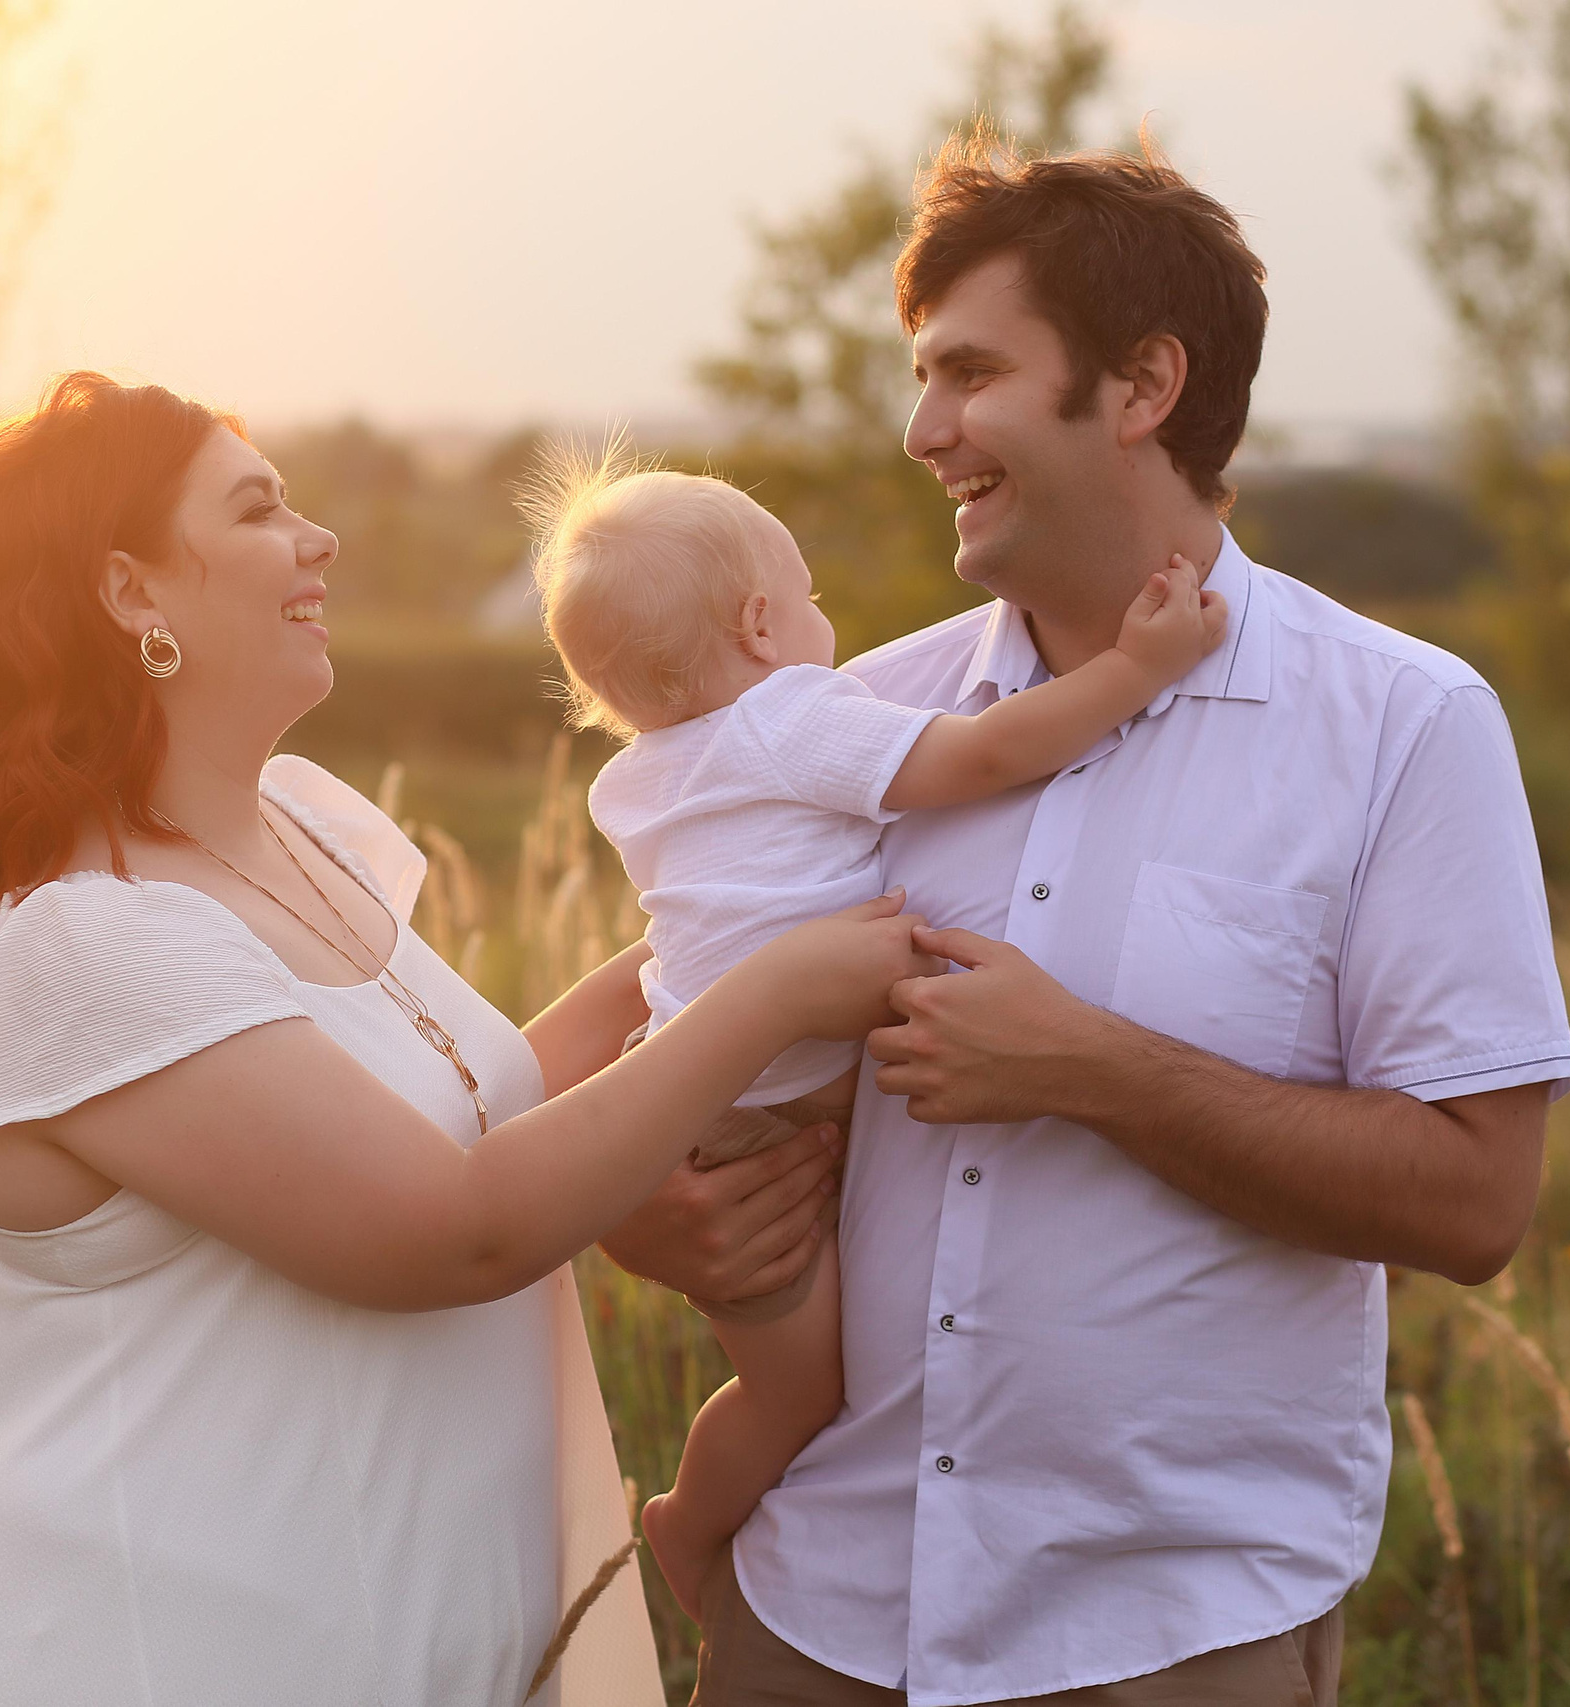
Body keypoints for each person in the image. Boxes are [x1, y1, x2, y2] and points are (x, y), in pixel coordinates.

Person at [0, 371, 934, 1706]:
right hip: (159, 1643)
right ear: (131, 592)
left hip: (373, 1624)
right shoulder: (82, 948)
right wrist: (773, 994)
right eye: (259, 509)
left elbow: (465, 1104)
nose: (319, 540)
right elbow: (451, 1222)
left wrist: (716, 954)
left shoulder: (303, 835)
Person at [600, 135, 1570, 1706]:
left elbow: (1476, 1202)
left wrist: (1089, 1066)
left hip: (1167, 1635)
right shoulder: (852, 719)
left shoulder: (1404, 725)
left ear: (1140, 388)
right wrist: (638, 1205)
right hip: (819, 1611)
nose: (924, 431)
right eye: (920, 377)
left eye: (969, 374)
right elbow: (660, 1009)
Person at [522, 453, 1221, 1619]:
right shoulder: (795, 718)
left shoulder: (637, 781)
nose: (822, 625)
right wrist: (1136, 670)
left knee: (787, 1379)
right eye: (805, 597)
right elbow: (984, 755)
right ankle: (690, 1530)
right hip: (766, 1121)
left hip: (702, 1104)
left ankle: (707, 1520)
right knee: (804, 1395)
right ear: (759, 625)